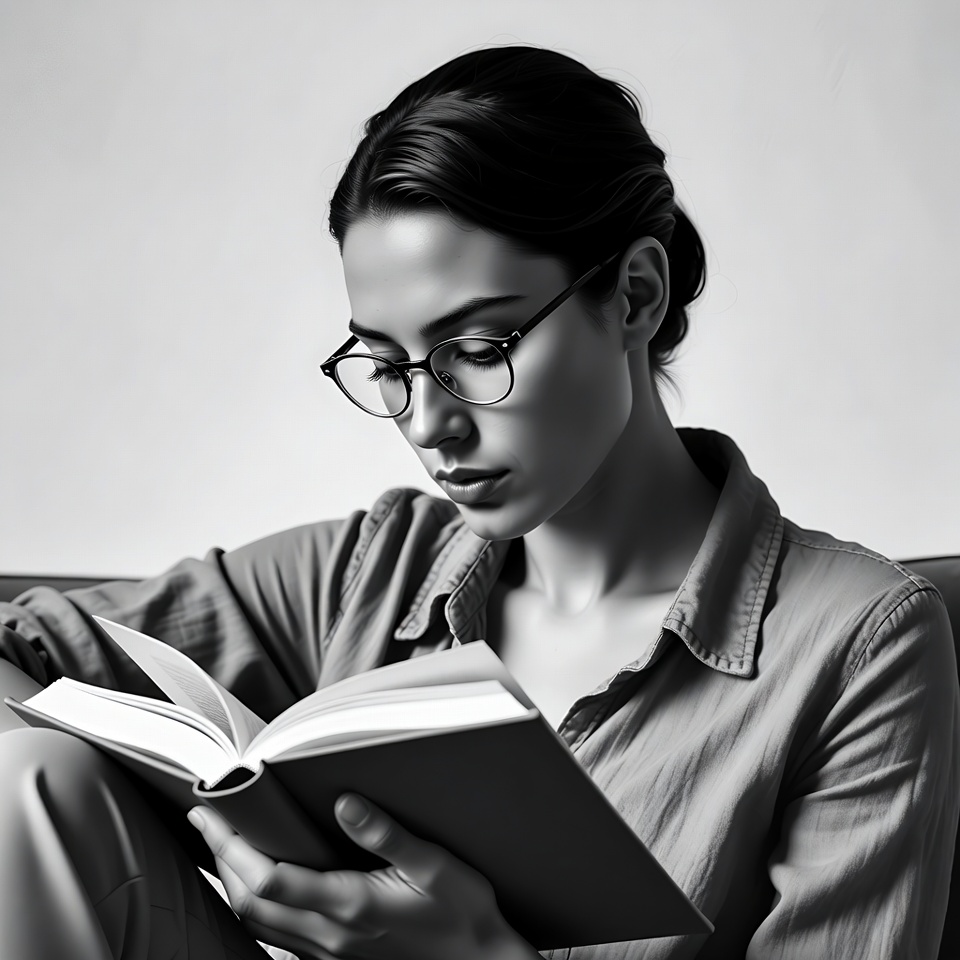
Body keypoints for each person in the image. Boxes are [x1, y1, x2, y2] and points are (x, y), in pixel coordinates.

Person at [0, 44, 957, 960]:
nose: (428, 423)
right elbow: (20, 650)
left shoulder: (859, 645)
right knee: (34, 784)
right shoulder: (370, 570)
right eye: (386, 364)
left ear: (634, 294)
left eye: (478, 349)